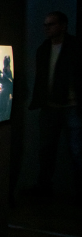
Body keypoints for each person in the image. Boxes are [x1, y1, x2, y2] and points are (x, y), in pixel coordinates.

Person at [25, 11, 82, 197]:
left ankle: (76, 191)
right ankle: (44, 188)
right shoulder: (43, 49)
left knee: (76, 151)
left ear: (63, 26)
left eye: (51, 24)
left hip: (72, 106)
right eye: (45, 24)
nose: (46, 28)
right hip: (50, 107)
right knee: (46, 151)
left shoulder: (75, 46)